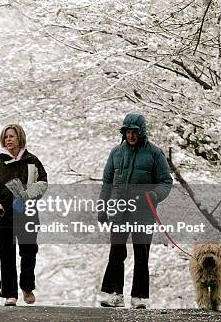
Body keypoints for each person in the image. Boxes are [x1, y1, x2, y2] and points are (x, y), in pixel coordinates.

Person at [97, 113, 173, 309]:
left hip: (144, 212)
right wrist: (102, 206)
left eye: (134, 132)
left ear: (142, 133)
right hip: (119, 210)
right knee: (116, 252)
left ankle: (140, 297)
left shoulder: (155, 153)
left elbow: (166, 182)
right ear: (124, 133)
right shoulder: (116, 152)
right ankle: (114, 294)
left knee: (141, 254)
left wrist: (155, 195)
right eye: (128, 132)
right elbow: (106, 182)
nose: (131, 136)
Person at [0, 124, 48, 306]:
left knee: (29, 252)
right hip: (2, 217)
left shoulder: (32, 160)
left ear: (20, 139)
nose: (8, 139)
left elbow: (43, 182)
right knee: (7, 256)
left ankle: (27, 287)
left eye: (12, 136)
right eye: (6, 137)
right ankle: (10, 294)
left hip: (27, 214)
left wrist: (29, 193)